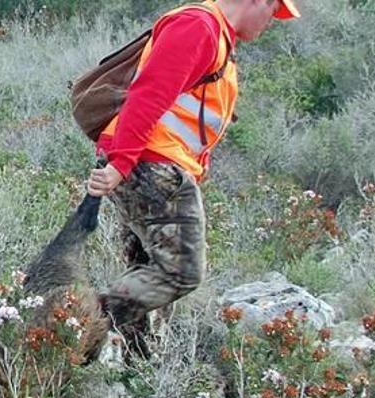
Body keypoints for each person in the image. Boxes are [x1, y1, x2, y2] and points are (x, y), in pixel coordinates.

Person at [87, 0, 300, 360]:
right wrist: (120, 165)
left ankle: (136, 366)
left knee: (149, 270)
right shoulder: (198, 27)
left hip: (157, 164)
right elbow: (149, 94)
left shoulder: (217, 37)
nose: (271, 22)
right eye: (273, 11)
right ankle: (73, 324)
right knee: (181, 272)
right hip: (152, 165)